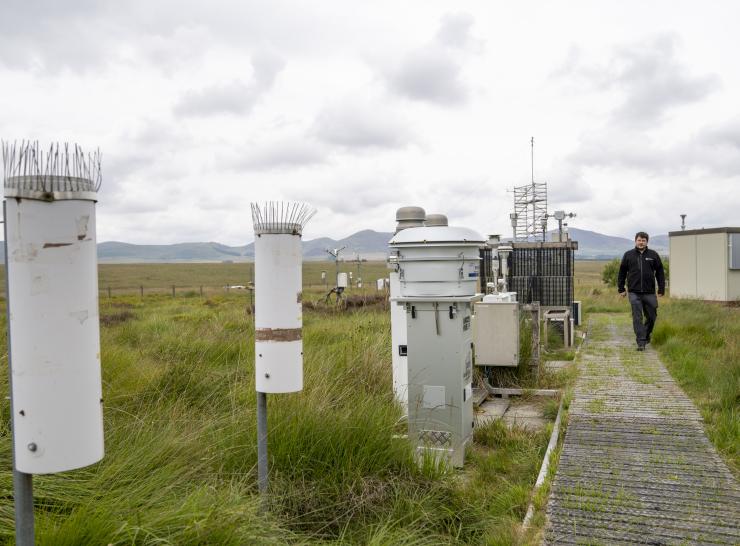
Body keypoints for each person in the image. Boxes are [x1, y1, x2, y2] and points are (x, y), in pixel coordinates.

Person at [617, 232, 665, 350]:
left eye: (643, 240)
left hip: (649, 292)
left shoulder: (653, 255)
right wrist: (621, 288)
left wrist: (661, 288)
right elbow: (622, 272)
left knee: (652, 316)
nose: (641, 242)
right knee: (637, 317)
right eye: (639, 240)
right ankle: (641, 342)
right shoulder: (628, 255)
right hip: (634, 292)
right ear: (635, 241)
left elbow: (660, 272)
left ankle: (646, 335)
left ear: (647, 242)